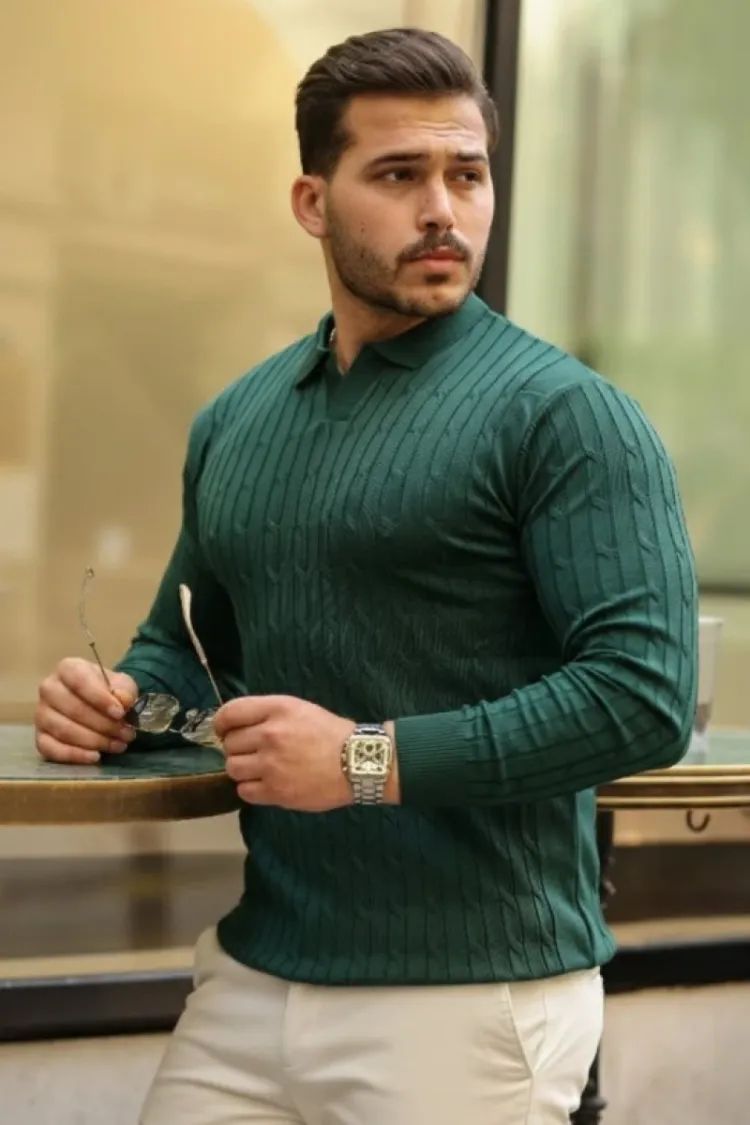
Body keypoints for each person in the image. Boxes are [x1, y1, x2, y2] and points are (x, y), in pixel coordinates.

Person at [34, 27, 698, 1125]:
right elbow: (189, 651)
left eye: (467, 175)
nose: (443, 210)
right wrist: (115, 702)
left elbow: (645, 698)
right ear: (312, 202)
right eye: (399, 176)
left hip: (475, 999)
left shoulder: (567, 416)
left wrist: (362, 760)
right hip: (256, 972)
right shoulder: (237, 421)